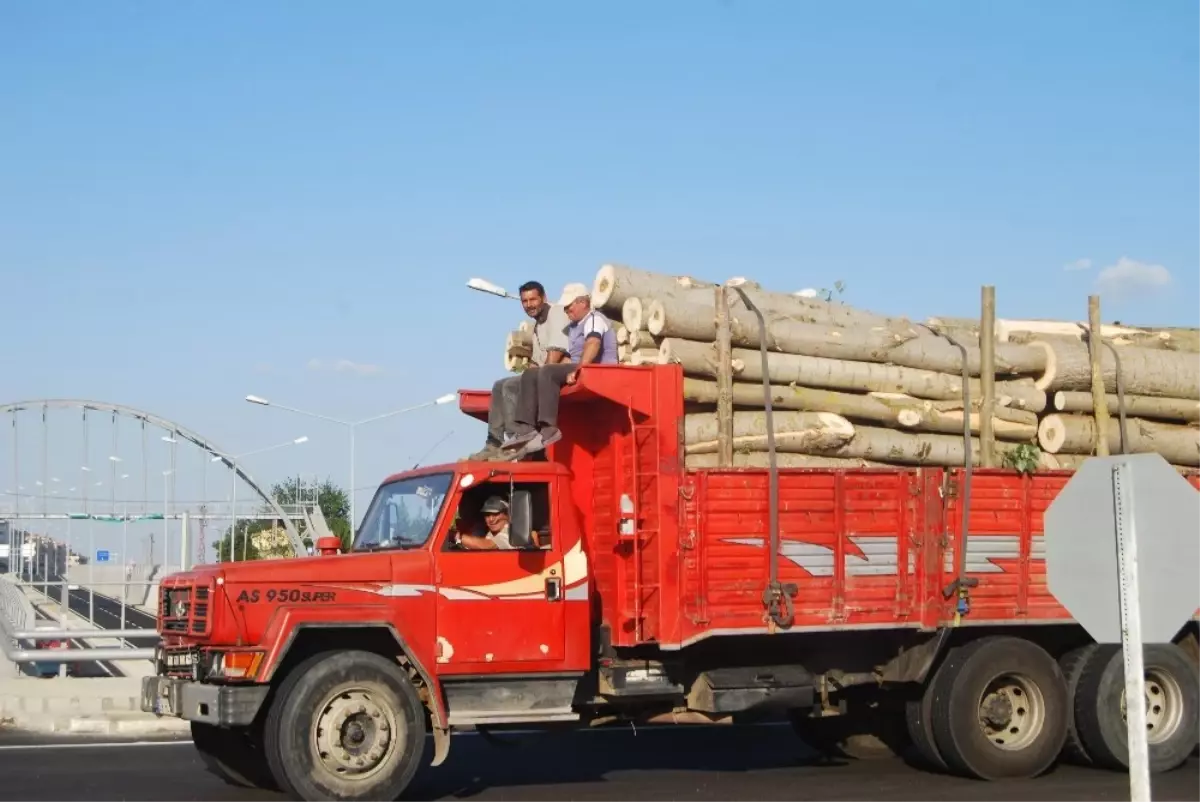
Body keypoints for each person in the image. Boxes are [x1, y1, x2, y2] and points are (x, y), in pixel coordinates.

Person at [504, 282, 619, 455]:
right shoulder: (574, 326)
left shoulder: (594, 319)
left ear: (583, 302)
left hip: (601, 369)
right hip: (584, 364)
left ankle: (549, 428)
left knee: (548, 370)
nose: (566, 311)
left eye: (569, 306)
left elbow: (593, 343)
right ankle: (525, 429)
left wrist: (579, 370)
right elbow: (570, 356)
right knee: (531, 373)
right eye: (564, 307)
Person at [468, 281, 571, 461]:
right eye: (525, 301)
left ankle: (520, 435)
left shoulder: (556, 313)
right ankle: (494, 442)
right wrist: (527, 377)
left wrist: (533, 380)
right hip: (540, 373)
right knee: (499, 385)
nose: (529, 305)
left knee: (510, 387)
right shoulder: (537, 324)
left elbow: (556, 352)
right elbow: (535, 362)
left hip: (556, 373)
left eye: (533, 299)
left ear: (543, 298)